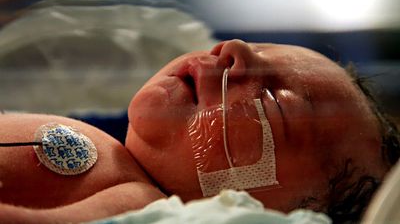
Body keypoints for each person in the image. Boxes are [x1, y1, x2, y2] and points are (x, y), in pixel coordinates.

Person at [0, 39, 398, 223]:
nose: (235, 50)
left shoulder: (136, 205)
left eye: (277, 103)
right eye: (261, 47)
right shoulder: (118, 167)